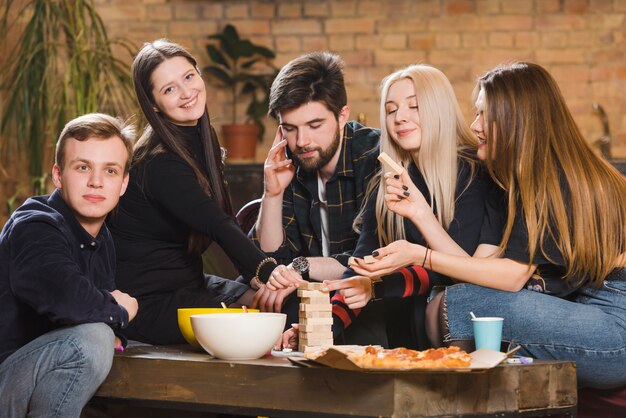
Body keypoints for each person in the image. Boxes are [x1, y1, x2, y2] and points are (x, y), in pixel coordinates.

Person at [340, 62, 626, 389]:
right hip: (591, 309)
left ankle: (447, 404)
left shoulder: (555, 180)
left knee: (459, 303)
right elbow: (479, 268)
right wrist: (420, 213)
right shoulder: (512, 180)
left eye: (482, 114)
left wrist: (418, 255)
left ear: (513, 119)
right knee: (459, 296)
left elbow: (509, 276)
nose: (474, 125)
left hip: (616, 325)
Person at [282, 64, 489, 349]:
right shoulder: (387, 183)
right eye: (391, 110)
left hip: (463, 313)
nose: (400, 118)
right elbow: (363, 265)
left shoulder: (472, 173)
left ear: (439, 109)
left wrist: (376, 286)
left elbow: (454, 270)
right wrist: (321, 326)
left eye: (414, 106)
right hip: (403, 318)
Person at [107, 39, 286, 345]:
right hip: (147, 304)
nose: (187, 92)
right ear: (153, 105)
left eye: (189, 77)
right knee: (268, 314)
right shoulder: (159, 162)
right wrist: (268, 271)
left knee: (278, 305)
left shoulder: (198, 141)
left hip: (189, 285)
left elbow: (222, 217)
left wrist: (267, 280)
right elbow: (217, 223)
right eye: (169, 89)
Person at [0, 113, 139, 417]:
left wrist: (109, 322)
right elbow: (69, 299)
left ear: (124, 183)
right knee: (91, 341)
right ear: (58, 175)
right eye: (83, 167)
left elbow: (88, 313)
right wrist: (119, 312)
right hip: (5, 384)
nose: (96, 181)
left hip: (34, 381)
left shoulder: (101, 238)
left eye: (110, 170)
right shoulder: (35, 226)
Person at [250, 51, 388, 344]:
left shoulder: (376, 157)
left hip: (363, 298)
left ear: (342, 116)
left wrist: (296, 267)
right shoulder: (288, 158)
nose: (302, 142)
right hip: (303, 298)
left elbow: (368, 261)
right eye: (289, 128)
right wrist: (271, 194)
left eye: (314, 126)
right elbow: (266, 260)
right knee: (253, 302)